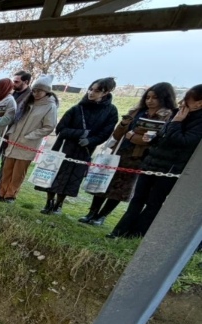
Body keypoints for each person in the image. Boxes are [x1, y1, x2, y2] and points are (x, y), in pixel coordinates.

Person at [109, 84, 202, 238]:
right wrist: (152, 138)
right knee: (137, 198)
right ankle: (119, 231)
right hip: (152, 162)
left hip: (170, 169)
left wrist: (177, 123)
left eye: (187, 100)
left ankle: (136, 234)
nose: (182, 103)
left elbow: (183, 141)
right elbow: (163, 134)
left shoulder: (193, 121)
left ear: (199, 103)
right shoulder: (178, 114)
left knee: (154, 203)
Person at [80, 83, 177, 226]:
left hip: (139, 157)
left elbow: (152, 139)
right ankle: (91, 212)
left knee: (122, 188)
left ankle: (102, 216)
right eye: (148, 97)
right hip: (120, 151)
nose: (150, 101)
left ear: (164, 98)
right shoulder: (136, 112)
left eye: (155, 98)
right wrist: (125, 126)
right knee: (104, 181)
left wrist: (132, 136)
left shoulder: (167, 116)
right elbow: (118, 133)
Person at [38, 77, 119, 214]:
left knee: (72, 179)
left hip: (84, 151)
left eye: (97, 91)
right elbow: (61, 129)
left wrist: (91, 140)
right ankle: (49, 202)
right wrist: (80, 133)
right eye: (91, 89)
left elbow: (105, 133)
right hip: (65, 147)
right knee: (55, 174)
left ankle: (59, 204)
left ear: (106, 92)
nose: (91, 93)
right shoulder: (78, 108)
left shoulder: (111, 111)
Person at [0, 75, 58, 202]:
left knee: (18, 173)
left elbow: (48, 127)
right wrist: (11, 133)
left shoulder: (50, 106)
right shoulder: (27, 102)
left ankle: (10, 195)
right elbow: (17, 120)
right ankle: (1, 193)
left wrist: (29, 136)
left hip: (28, 144)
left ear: (47, 91)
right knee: (7, 169)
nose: (35, 93)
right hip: (14, 141)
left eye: (39, 91)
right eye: (34, 90)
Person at [0, 71, 32, 191]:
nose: (14, 84)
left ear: (26, 82)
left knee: (6, 159)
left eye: (17, 82)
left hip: (13, 131)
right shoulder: (11, 93)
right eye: (13, 81)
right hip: (0, 129)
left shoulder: (29, 96)